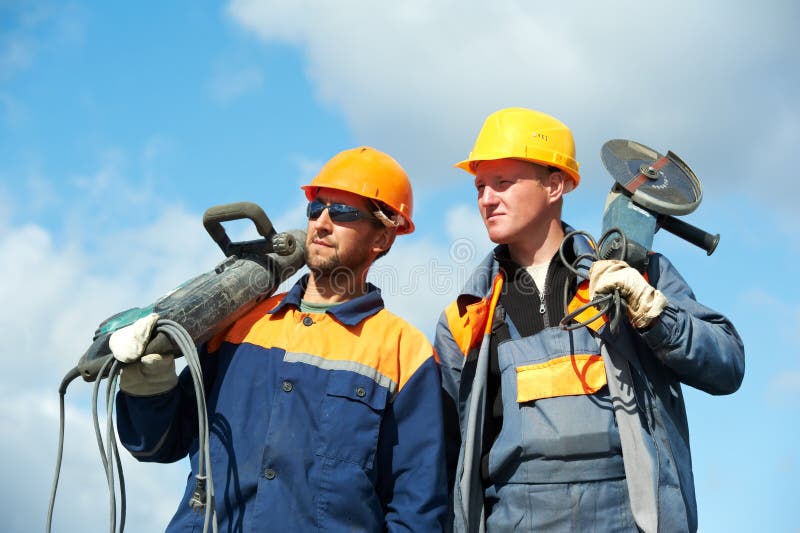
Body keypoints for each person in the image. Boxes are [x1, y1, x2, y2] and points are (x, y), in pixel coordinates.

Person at [434, 107, 745, 532]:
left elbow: (727, 364)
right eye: (480, 186)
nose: (487, 199)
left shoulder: (633, 274)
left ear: (555, 185)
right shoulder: (469, 315)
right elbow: (447, 453)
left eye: (503, 183)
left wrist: (658, 316)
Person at [112, 147, 448, 531]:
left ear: (383, 237)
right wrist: (149, 385)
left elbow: (418, 509)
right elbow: (157, 444)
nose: (321, 223)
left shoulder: (404, 352)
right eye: (316, 208)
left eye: (343, 213)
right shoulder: (239, 323)